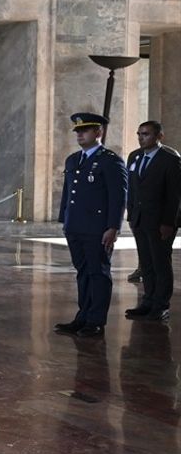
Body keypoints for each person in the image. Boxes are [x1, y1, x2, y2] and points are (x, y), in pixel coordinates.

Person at [55, 113, 127, 339]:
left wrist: (113, 227)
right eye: (77, 131)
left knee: (98, 273)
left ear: (99, 132)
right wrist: (64, 221)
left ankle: (95, 321)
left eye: (84, 130)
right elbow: (68, 194)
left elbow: (118, 197)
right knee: (82, 272)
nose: (79, 134)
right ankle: (83, 316)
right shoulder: (73, 160)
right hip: (75, 226)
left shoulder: (110, 160)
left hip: (97, 229)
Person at [124, 120, 179, 322]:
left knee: (160, 263)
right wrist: (131, 214)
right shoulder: (135, 156)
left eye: (146, 134)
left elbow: (175, 196)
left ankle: (160, 305)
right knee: (146, 263)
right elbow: (132, 189)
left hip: (160, 223)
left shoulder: (170, 159)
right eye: (139, 134)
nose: (141, 137)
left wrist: (168, 223)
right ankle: (147, 301)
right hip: (139, 219)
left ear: (159, 137)